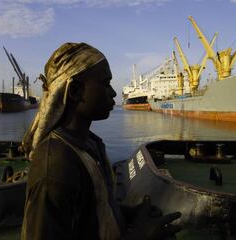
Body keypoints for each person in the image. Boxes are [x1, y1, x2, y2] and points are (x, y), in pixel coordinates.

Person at [21, 42, 181, 240]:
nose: (114, 93)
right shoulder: (55, 166)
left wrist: (127, 214)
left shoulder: (90, 144)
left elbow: (92, 211)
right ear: (76, 92)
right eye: (106, 84)